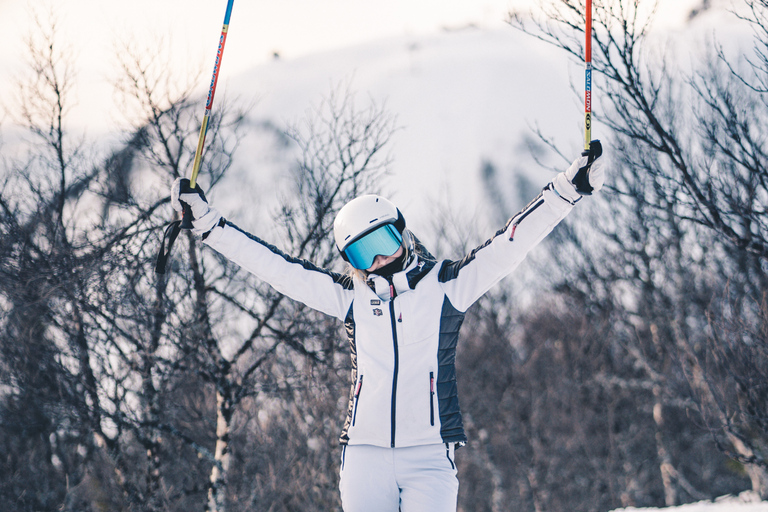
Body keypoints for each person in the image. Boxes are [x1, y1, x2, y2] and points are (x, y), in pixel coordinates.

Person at [170, 141, 607, 512]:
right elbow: (277, 268)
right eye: (363, 254)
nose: (378, 260)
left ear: (402, 234)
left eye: (383, 243)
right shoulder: (351, 299)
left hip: (431, 454)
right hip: (364, 453)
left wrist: (567, 190)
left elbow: (511, 243)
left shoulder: (447, 286)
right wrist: (209, 225)